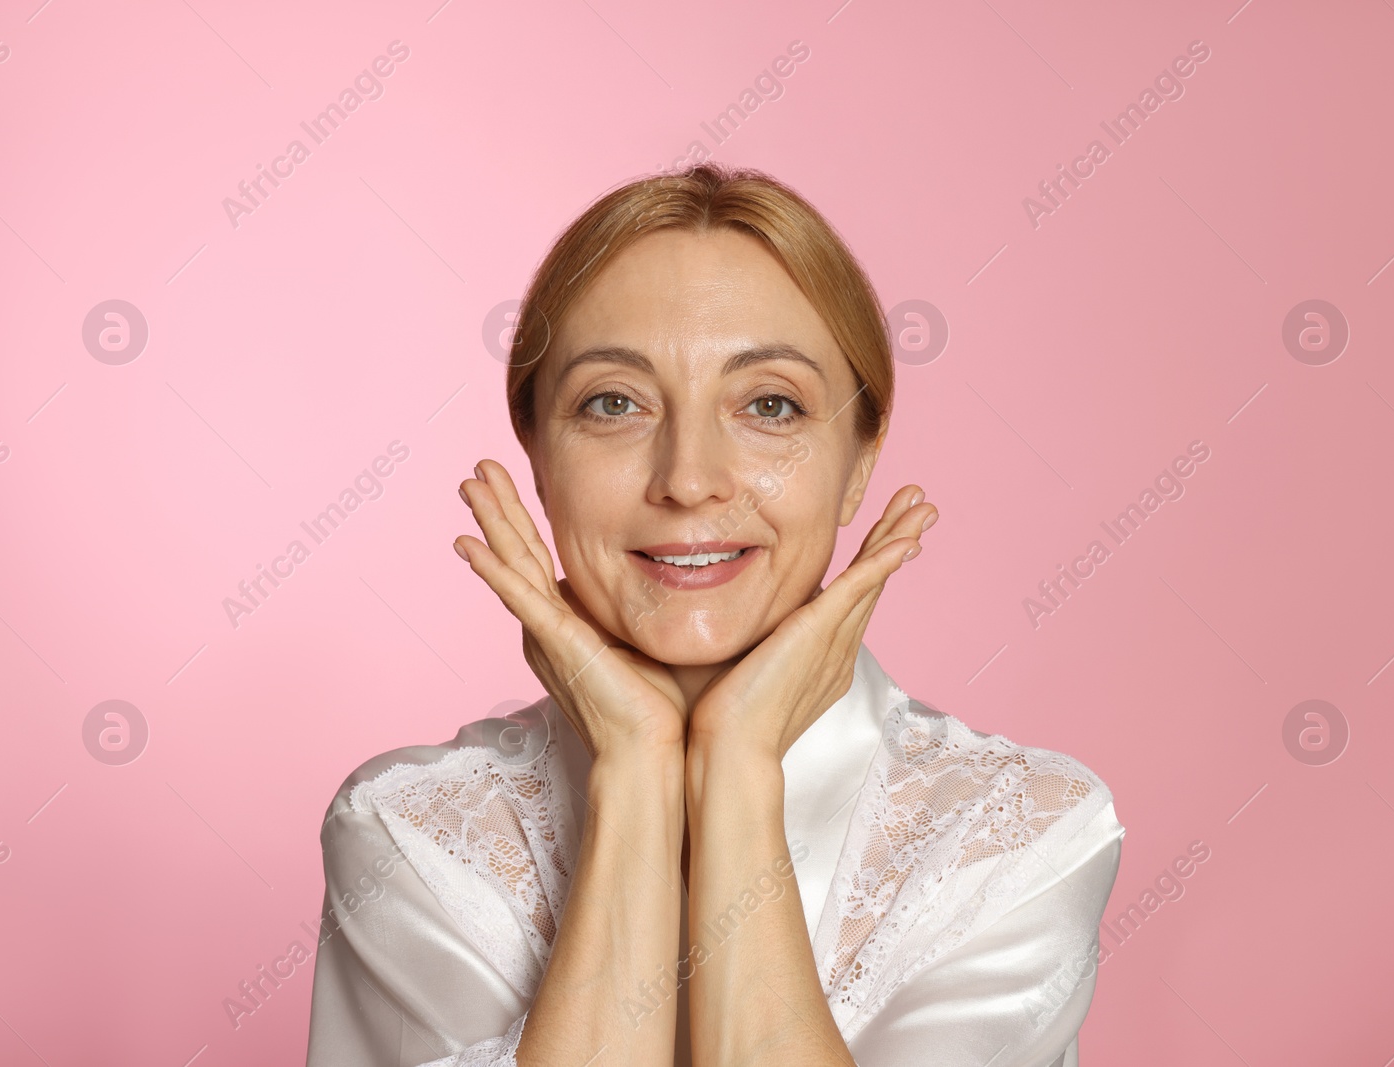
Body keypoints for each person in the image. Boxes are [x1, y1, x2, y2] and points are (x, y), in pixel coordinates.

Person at [304, 163, 1124, 1067]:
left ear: (859, 459)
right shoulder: (412, 833)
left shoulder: (1018, 835)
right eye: (613, 403)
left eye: (769, 405)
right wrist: (634, 768)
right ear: (536, 454)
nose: (689, 478)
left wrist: (735, 768)